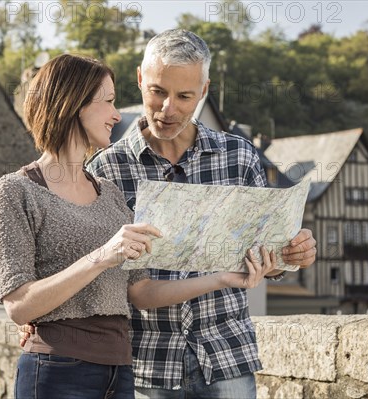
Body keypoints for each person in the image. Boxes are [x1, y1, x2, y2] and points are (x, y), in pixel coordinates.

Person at [0, 54, 279, 399]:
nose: (116, 114)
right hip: (57, 370)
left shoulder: (109, 193)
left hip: (121, 371)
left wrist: (223, 278)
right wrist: (103, 255)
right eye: (108, 102)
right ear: (72, 103)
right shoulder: (14, 190)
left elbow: (140, 292)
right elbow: (19, 306)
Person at [85, 29, 318, 398]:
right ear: (140, 78)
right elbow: (102, 278)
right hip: (147, 363)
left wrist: (289, 255)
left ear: (205, 89)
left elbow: (265, 259)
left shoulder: (238, 157)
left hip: (227, 355)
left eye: (184, 96)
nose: (168, 109)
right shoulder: (105, 170)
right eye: (158, 91)